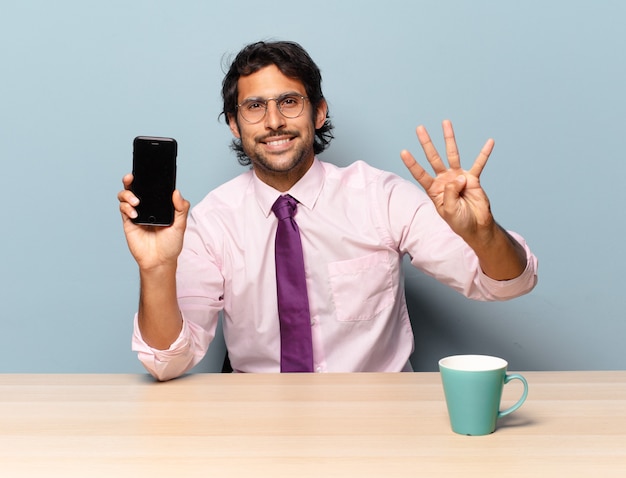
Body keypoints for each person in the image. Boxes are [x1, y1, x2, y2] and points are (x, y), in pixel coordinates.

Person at [118, 40, 537, 380]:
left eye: (289, 102)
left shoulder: (381, 197)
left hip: (380, 422)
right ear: (235, 123)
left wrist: (482, 235)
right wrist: (155, 269)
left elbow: (509, 284)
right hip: (257, 426)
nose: (273, 121)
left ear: (318, 112)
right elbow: (166, 361)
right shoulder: (212, 222)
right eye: (254, 106)